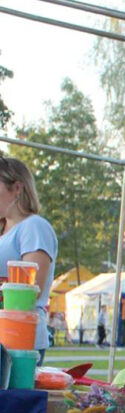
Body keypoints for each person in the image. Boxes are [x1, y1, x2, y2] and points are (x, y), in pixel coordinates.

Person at [0, 156, 57, 364]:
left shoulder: (34, 226)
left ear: (17, 188)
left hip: (19, 341)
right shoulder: (5, 231)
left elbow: (32, 290)